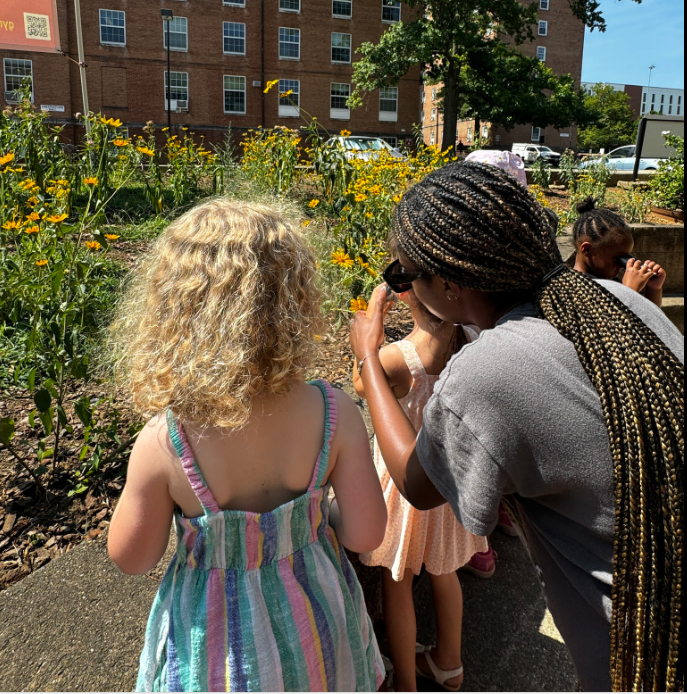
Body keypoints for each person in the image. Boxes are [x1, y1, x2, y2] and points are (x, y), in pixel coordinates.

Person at [350, 162, 684, 692]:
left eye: (403, 275)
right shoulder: (618, 301)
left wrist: (368, 357)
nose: (400, 285)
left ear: (450, 284)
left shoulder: (488, 372)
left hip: (647, 657)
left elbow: (417, 485)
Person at [107, 199, 387, 692]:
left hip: (215, 650)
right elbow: (365, 534)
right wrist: (316, 518)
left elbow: (132, 557)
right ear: (296, 302)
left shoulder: (166, 442)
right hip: (319, 628)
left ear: (173, 310)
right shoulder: (334, 411)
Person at [353, 288, 488, 692]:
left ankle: (406, 685)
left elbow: (362, 385)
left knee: (399, 583)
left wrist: (371, 327)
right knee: (446, 574)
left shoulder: (396, 360)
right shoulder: (470, 340)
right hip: (450, 485)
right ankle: (450, 663)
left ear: (407, 293)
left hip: (405, 493)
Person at [573, 197, 667, 307]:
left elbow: (650, 319)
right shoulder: (574, 288)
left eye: (626, 258)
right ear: (587, 250)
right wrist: (629, 291)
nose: (623, 266)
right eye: (618, 259)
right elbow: (609, 321)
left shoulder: (611, 281)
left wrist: (653, 289)